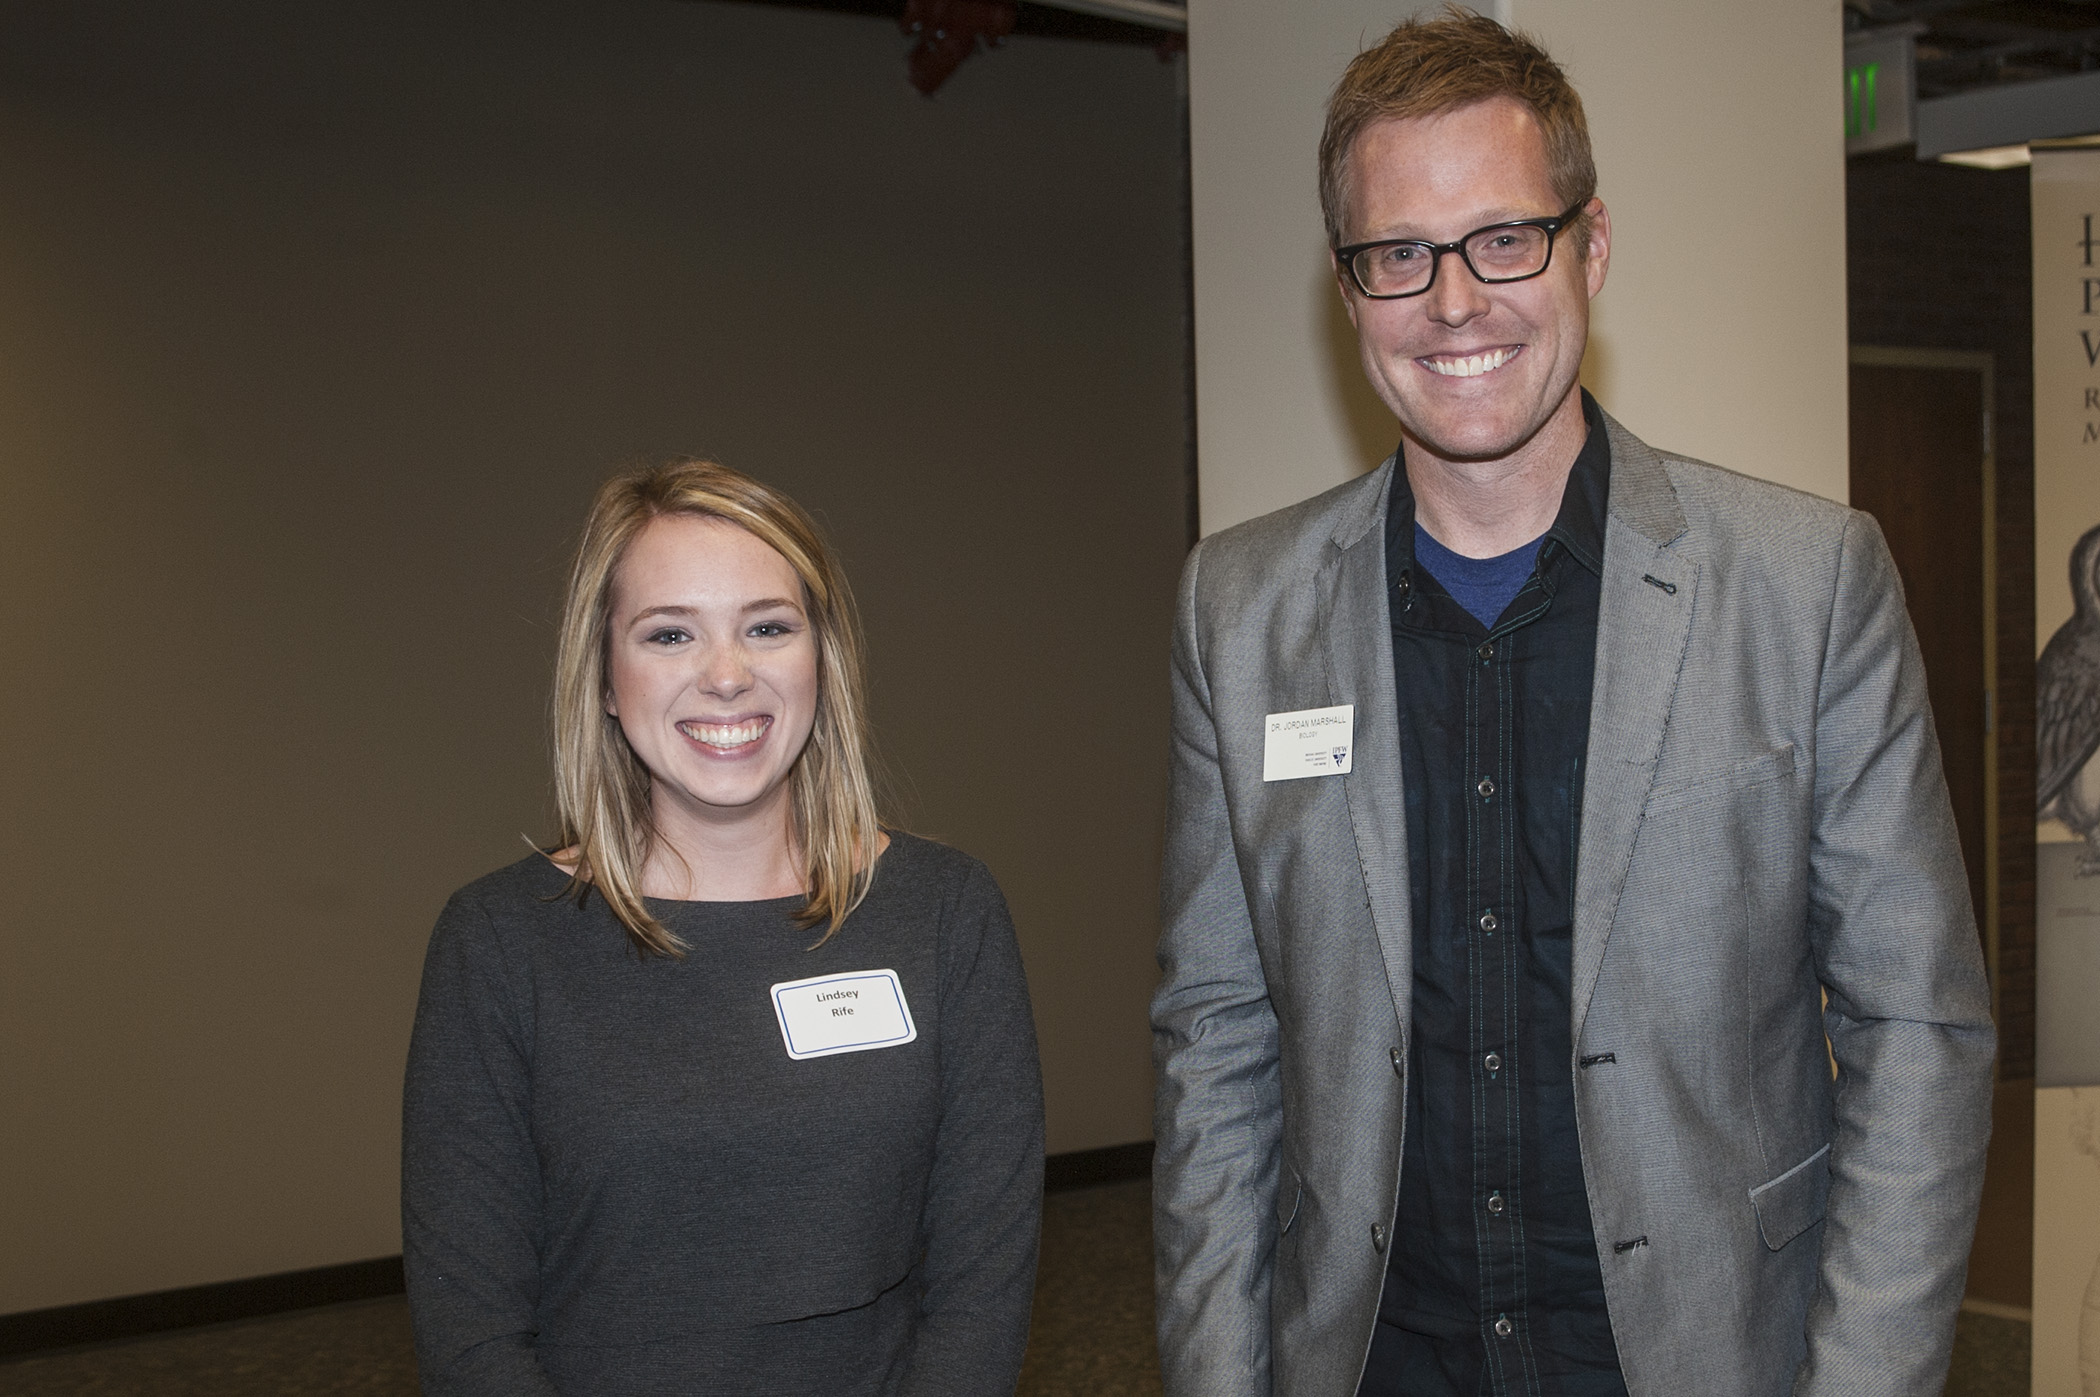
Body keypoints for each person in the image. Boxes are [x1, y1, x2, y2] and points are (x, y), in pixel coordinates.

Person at [1150, 13, 1995, 1397]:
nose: (1454, 302)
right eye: (1398, 255)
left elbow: (1920, 1029)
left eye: (1504, 239)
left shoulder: (1804, 584)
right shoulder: (1234, 614)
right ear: (1348, 287)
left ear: (1589, 246)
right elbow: (1216, 1041)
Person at [402, 459, 1043, 1396]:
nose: (728, 676)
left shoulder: (946, 913)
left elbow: (982, 1291)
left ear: (822, 660)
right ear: (608, 681)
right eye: (670, 634)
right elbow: (471, 1329)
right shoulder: (498, 944)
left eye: (768, 627)